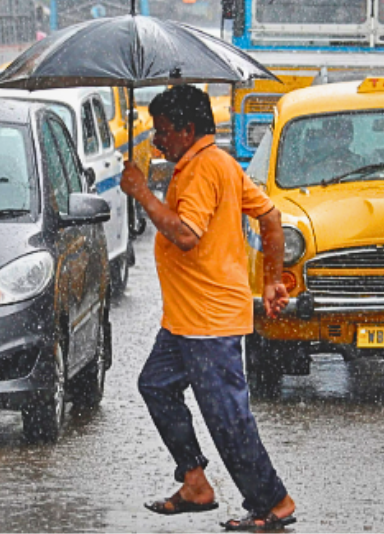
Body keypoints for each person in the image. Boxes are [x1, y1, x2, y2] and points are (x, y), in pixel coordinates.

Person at [119, 85, 297, 532]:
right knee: (156, 386)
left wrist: (142, 193)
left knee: (227, 417)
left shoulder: (203, 169)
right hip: (184, 320)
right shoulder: (215, 162)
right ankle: (195, 482)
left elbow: (185, 235)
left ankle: (272, 501)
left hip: (208, 321)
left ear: (187, 129)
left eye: (163, 133)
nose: (158, 142)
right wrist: (272, 279)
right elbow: (271, 217)